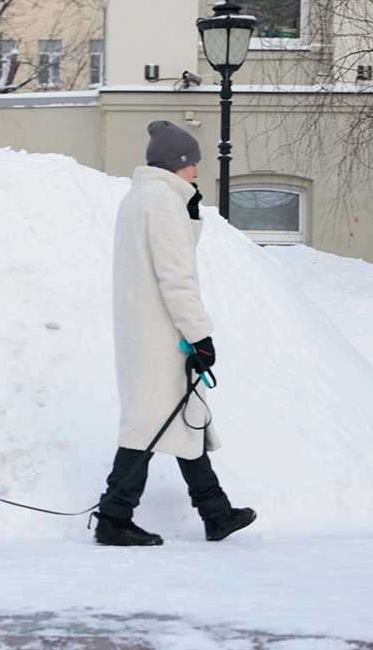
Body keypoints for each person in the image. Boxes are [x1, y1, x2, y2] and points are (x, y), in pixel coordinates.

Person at [92, 120, 256, 546]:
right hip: (162, 335)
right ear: (177, 165)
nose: (198, 173)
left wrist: (192, 217)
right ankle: (113, 517)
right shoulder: (161, 202)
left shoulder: (140, 198)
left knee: (185, 417)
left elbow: (162, 260)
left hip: (143, 332)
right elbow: (176, 277)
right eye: (194, 165)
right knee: (149, 426)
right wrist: (200, 335)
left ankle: (215, 512)